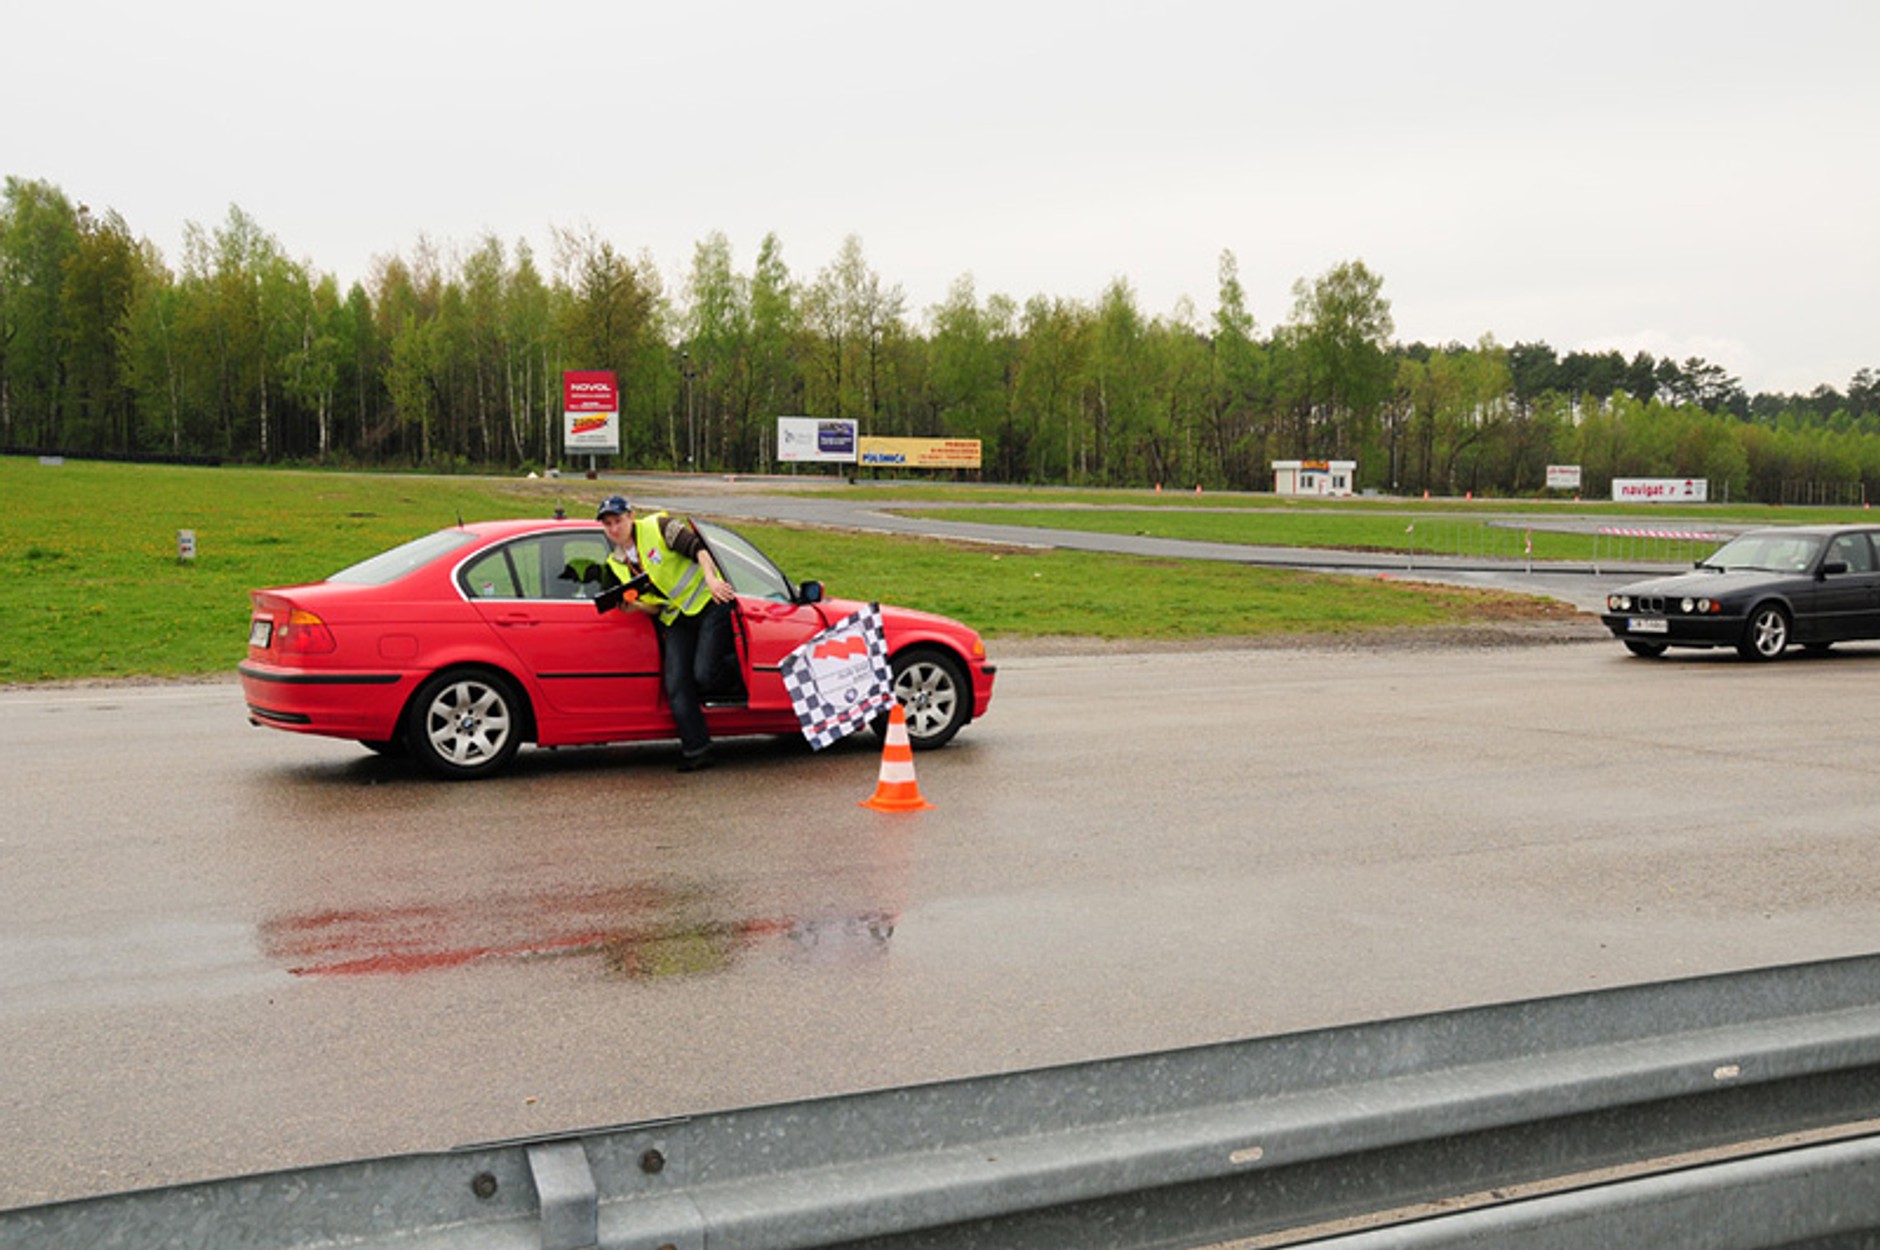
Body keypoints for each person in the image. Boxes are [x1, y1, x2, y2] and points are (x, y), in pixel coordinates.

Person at [595, 494, 739, 772]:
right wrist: (634, 607)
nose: (614, 528)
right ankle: (697, 750)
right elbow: (656, 606)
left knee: (704, 674)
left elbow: (700, 548)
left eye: (618, 520)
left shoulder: (658, 527)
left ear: (631, 516)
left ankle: (738, 670)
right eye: (608, 524)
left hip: (710, 602)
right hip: (676, 619)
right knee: (676, 684)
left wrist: (711, 579)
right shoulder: (616, 563)